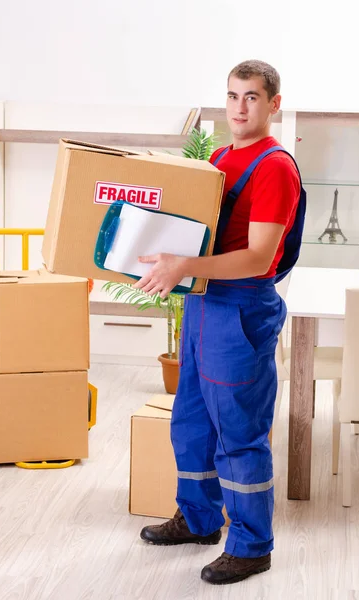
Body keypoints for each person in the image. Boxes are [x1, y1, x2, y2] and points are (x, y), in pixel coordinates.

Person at [133, 59, 304, 586]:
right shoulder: (222, 157)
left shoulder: (275, 166)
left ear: (273, 104)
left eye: (251, 97)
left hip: (242, 306)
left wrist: (183, 267)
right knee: (191, 422)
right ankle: (200, 519)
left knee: (239, 433)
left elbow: (257, 257)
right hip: (204, 304)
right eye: (232, 96)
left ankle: (252, 546)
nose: (239, 107)